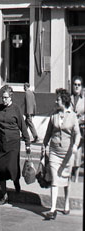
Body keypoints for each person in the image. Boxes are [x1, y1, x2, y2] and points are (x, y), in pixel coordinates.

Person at [41, 89, 81, 219]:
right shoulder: (54, 115)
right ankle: (52, 209)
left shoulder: (72, 116)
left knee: (66, 179)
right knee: (55, 178)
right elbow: (48, 133)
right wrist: (44, 146)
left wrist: (75, 146)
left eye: (57, 99)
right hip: (54, 152)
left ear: (64, 100)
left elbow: (78, 134)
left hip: (67, 154)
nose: (55, 101)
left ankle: (66, 202)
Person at [0, 85, 31, 205]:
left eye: (6, 98)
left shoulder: (16, 109)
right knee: (1, 169)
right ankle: (4, 195)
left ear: (11, 97)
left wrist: (27, 143)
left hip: (13, 143)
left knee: (12, 168)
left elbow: (22, 126)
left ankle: (16, 182)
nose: (4, 100)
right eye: (2, 97)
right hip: (2, 143)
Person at [69, 76, 84, 181]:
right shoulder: (69, 98)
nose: (77, 86)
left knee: (78, 154)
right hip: (69, 130)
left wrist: (80, 119)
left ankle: (76, 179)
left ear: (81, 87)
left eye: (79, 85)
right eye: (75, 84)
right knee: (70, 155)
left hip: (80, 130)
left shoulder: (84, 99)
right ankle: (69, 178)